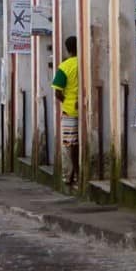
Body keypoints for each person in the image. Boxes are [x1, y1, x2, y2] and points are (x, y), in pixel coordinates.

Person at [52, 36, 79, 189]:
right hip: (84, 108)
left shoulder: (65, 66)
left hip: (69, 110)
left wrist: (67, 101)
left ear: (67, 49)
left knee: (69, 145)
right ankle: (78, 172)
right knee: (79, 144)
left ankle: (70, 176)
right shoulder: (85, 63)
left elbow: (57, 92)